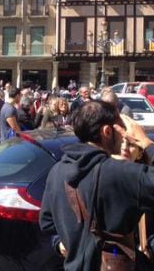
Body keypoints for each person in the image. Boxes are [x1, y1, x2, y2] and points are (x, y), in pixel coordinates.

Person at [39, 101, 154, 270]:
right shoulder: (119, 173)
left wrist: (68, 242)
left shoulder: (56, 171)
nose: (124, 136)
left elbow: (47, 223)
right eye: (121, 129)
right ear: (107, 131)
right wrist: (146, 143)